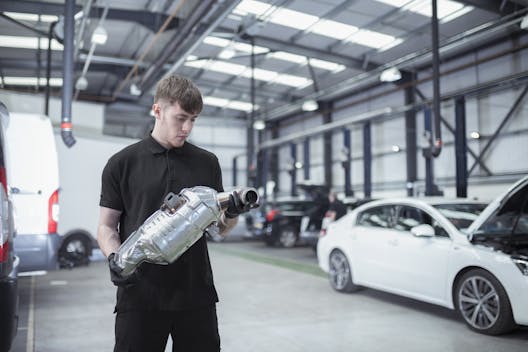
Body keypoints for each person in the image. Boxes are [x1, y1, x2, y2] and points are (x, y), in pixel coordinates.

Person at [97, 75, 250, 352]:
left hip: (196, 295)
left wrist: (232, 214)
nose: (187, 128)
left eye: (193, 119)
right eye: (181, 118)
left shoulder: (207, 163)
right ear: (157, 110)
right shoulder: (122, 164)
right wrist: (114, 259)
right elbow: (106, 226)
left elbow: (219, 230)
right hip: (140, 295)